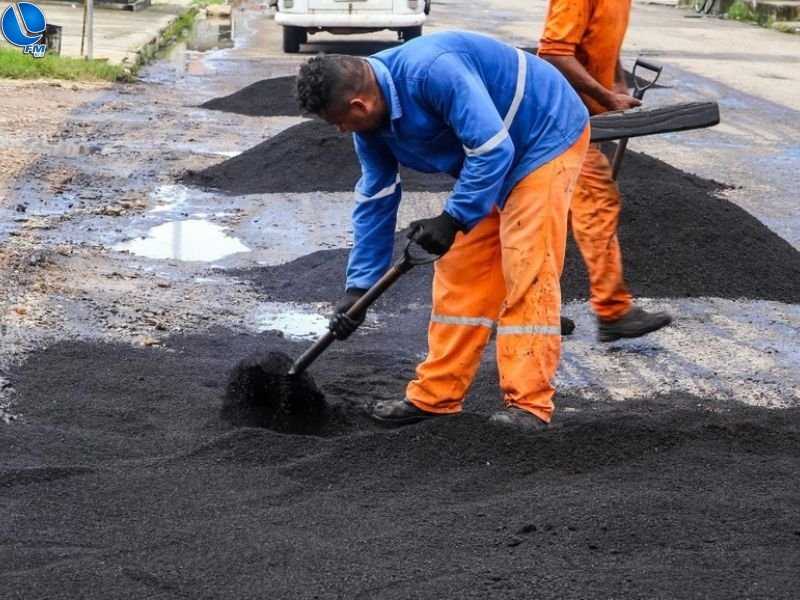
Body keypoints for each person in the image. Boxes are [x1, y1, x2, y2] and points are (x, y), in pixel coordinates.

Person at [296, 31, 590, 431]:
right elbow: (376, 200)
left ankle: (529, 405)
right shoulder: (371, 128)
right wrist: (358, 290)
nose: (341, 131)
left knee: (527, 267)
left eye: (340, 122)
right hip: (488, 156)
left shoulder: (431, 71)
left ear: (359, 104)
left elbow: (493, 150)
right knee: (461, 273)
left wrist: (453, 219)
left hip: (541, 136)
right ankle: (437, 396)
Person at [538, 0, 672, 342]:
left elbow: (603, 44)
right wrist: (606, 97)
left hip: (581, 121)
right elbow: (554, 53)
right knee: (597, 203)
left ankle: (532, 305)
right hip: (558, 119)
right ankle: (613, 311)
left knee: (553, 215)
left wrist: (617, 84)